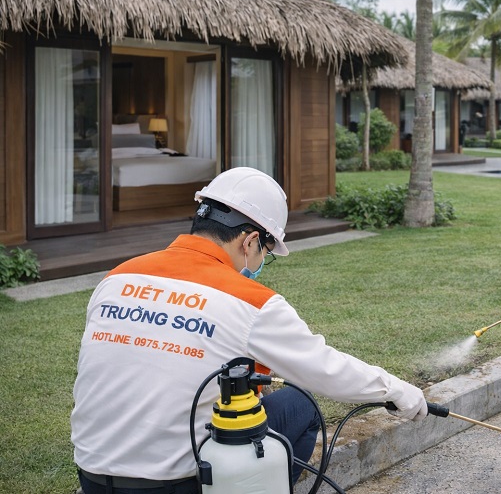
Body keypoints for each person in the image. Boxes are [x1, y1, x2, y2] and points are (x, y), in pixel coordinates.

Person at [71, 167, 427, 493]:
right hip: (179, 483)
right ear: (250, 240)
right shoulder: (250, 301)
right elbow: (325, 369)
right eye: (265, 252)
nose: (260, 262)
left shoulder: (116, 277)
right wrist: (397, 390)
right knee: (300, 403)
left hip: (92, 476)